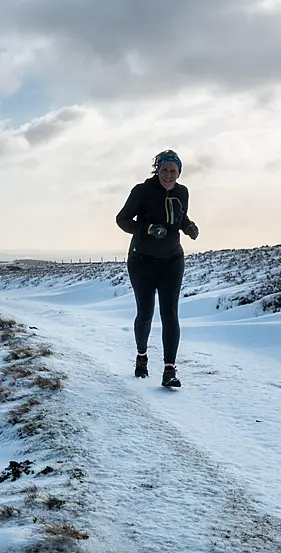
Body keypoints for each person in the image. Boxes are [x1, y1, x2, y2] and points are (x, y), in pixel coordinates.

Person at [115, 149, 199, 387]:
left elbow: (179, 216)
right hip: (142, 260)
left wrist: (189, 226)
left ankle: (169, 370)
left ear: (179, 172)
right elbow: (122, 220)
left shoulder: (182, 192)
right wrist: (147, 229)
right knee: (145, 313)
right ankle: (142, 356)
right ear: (157, 170)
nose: (169, 175)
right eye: (164, 170)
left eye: (173, 171)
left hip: (173, 259)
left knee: (170, 314)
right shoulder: (141, 191)